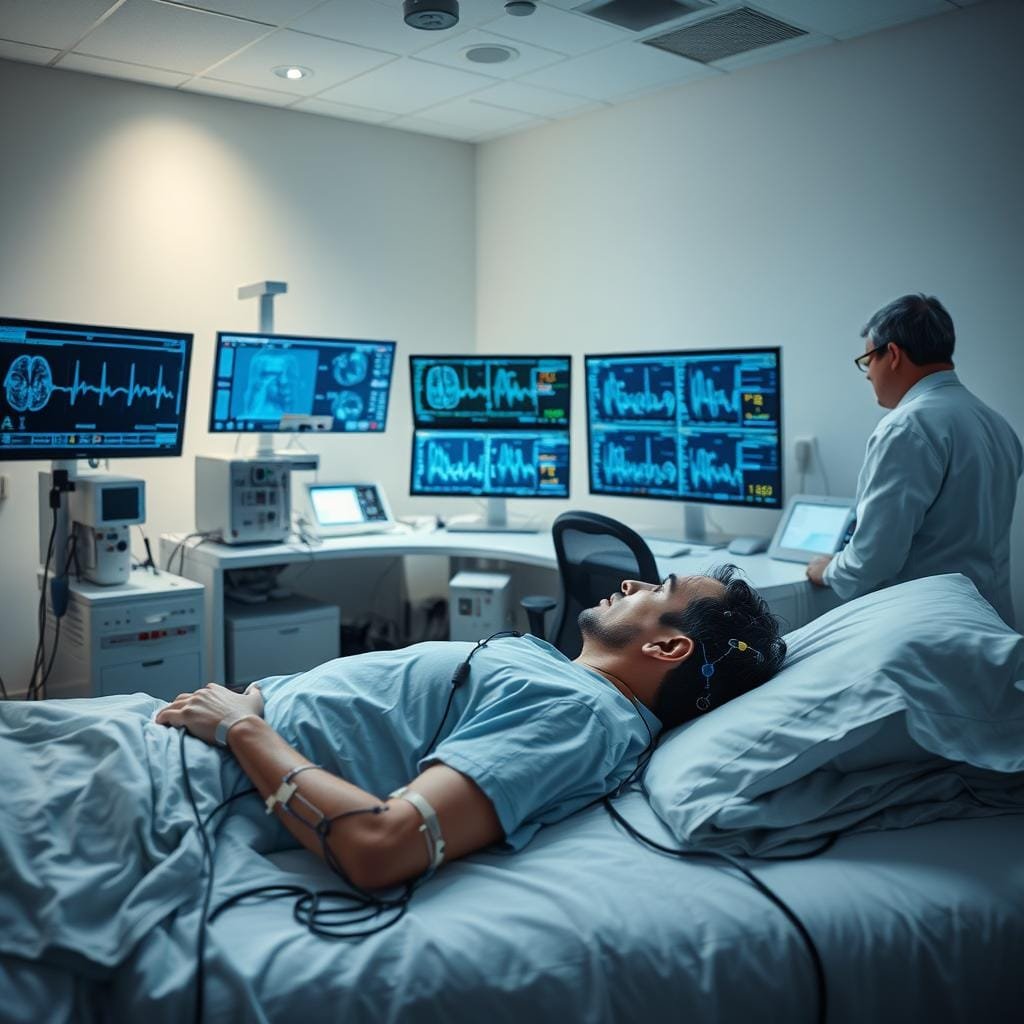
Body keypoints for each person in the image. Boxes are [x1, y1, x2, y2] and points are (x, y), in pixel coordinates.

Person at [153, 565, 786, 890]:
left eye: (658, 588)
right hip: (186, 740)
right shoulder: (566, 678)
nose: (630, 582)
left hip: (192, 784)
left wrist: (242, 727)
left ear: (669, 650)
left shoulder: (582, 714)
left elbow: (381, 846)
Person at [807, 294, 1022, 626]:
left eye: (867, 361)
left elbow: (874, 559)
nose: (867, 375)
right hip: (993, 624)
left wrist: (830, 570)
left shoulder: (906, 427)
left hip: (930, 628)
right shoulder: (997, 425)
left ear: (892, 354)